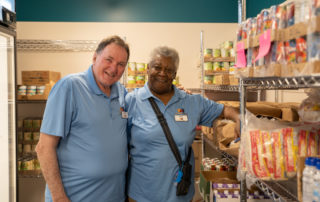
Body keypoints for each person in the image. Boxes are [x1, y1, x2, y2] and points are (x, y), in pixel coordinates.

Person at [125, 46, 240, 202]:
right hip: (142, 194)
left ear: (174, 74)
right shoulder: (131, 101)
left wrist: (238, 118)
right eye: (157, 67)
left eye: (169, 70)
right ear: (148, 68)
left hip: (180, 194)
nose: (162, 73)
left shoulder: (191, 102)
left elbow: (224, 110)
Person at [35, 35, 130, 202]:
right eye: (109, 60)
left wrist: (176, 94)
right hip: (75, 197)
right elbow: (44, 148)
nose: (114, 68)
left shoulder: (122, 93)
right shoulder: (69, 87)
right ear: (94, 57)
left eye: (121, 64)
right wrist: (59, 197)